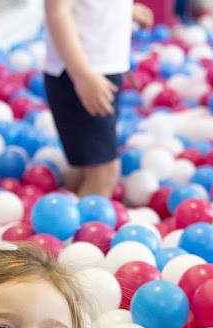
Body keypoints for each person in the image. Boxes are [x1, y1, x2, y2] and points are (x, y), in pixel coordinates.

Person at [43, 0, 154, 198]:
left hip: (98, 71)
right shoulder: (82, 76)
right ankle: (87, 227)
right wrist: (82, 75)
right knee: (104, 172)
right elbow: (57, 12)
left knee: (87, 166)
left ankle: (67, 214)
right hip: (81, 74)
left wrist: (126, 11)